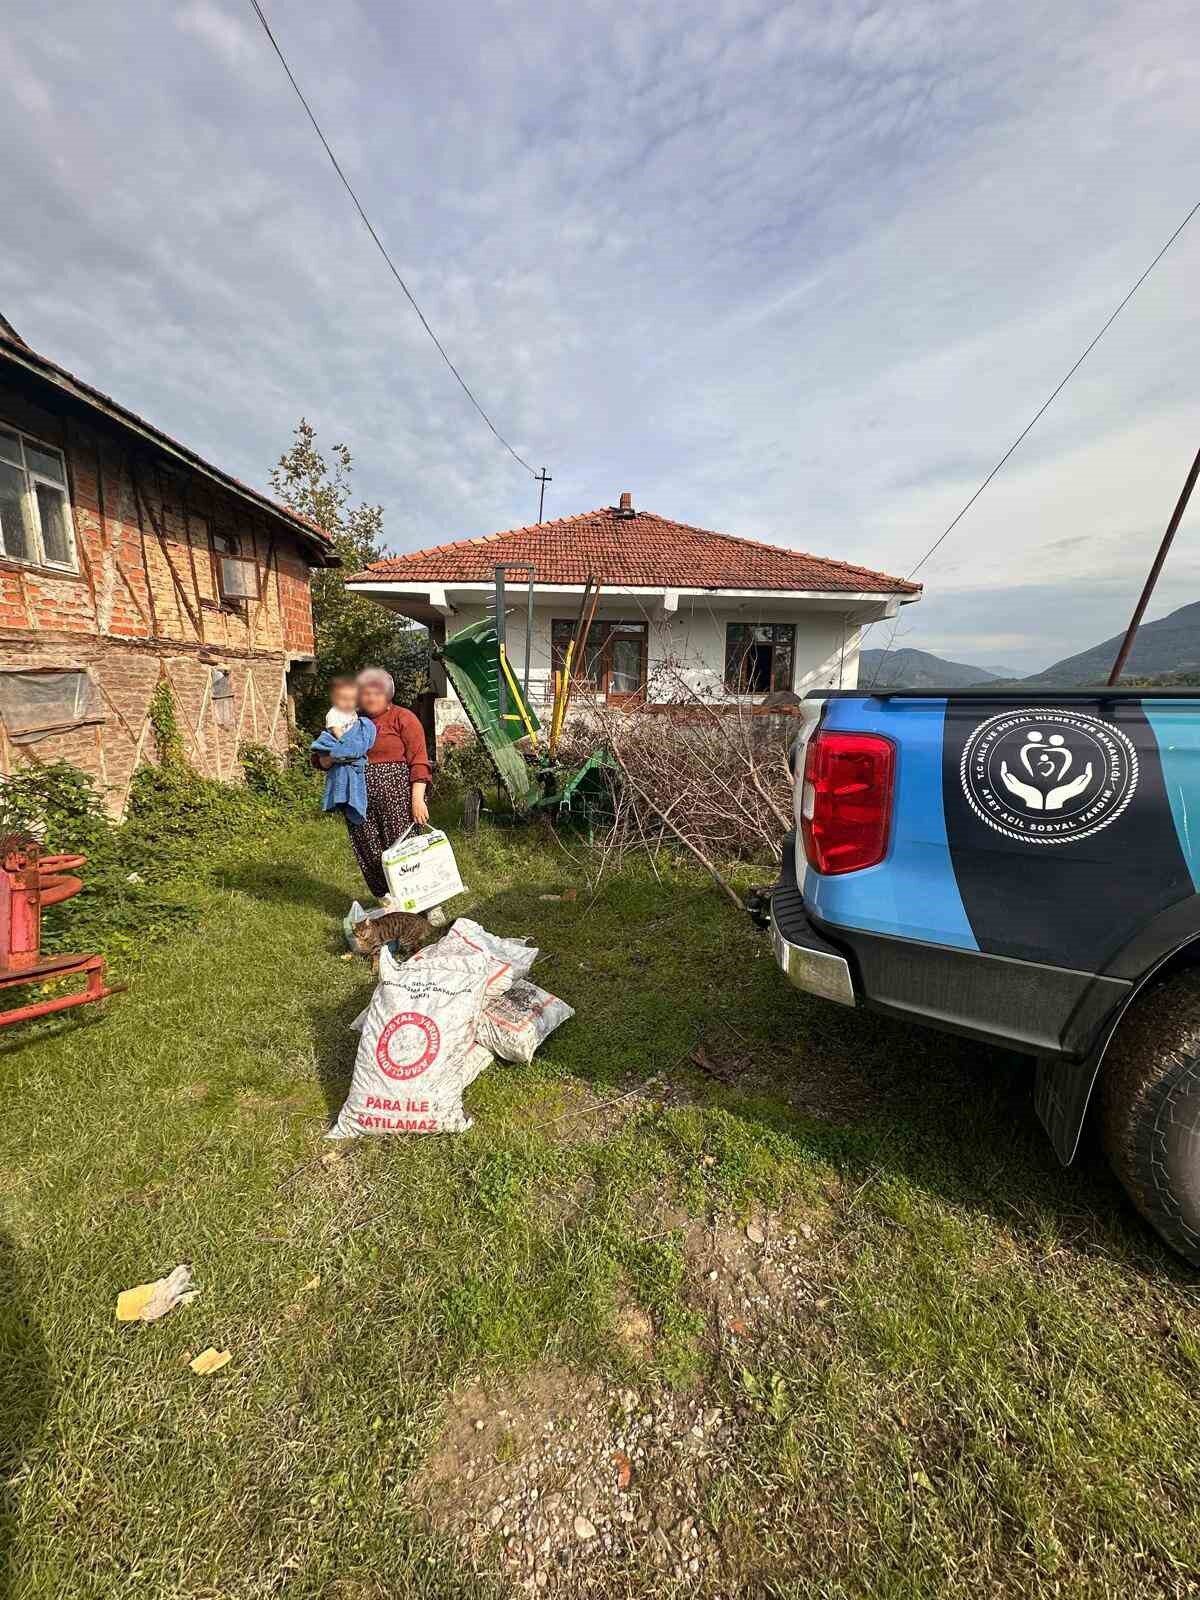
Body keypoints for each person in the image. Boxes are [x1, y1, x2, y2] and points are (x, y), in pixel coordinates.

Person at [316, 667, 431, 900]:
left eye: (377, 693)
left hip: (397, 800)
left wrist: (417, 800)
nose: (370, 698)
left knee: (405, 848)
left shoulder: (403, 718)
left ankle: (426, 902)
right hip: (357, 799)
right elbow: (322, 756)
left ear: (388, 694)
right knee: (369, 850)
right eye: (366, 693)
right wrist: (332, 757)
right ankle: (387, 901)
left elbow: (419, 761)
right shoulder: (349, 720)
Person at [310, 676, 376, 828]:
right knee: (341, 772)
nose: (348, 702)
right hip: (337, 742)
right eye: (344, 699)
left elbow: (358, 730)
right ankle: (341, 797)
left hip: (350, 747)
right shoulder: (334, 713)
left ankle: (353, 802)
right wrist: (347, 745)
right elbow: (336, 730)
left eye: (351, 699)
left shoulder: (354, 714)